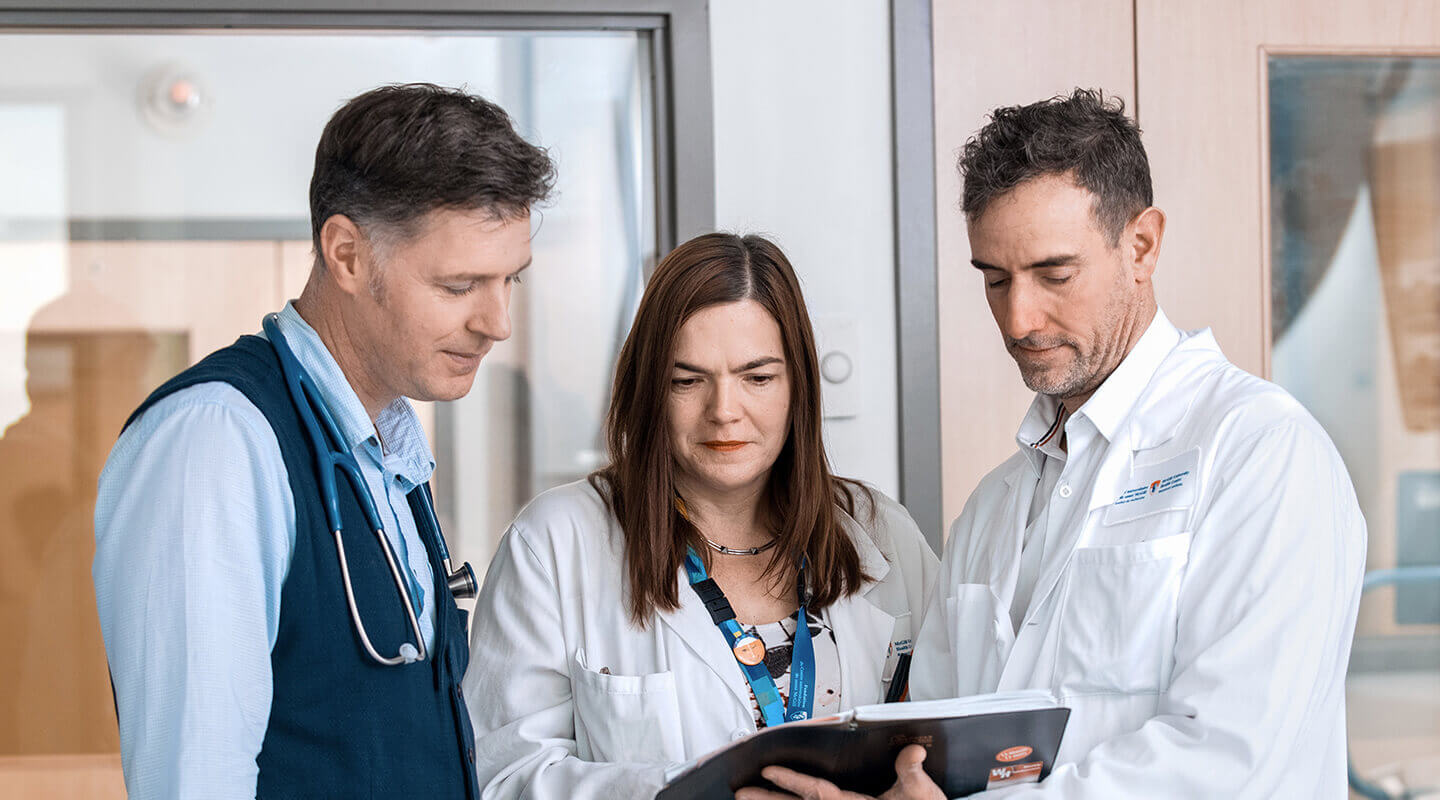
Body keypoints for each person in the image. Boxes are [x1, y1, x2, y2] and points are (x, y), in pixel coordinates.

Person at [738, 89, 1367, 800]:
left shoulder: (1261, 454)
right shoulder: (992, 509)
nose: (1019, 317)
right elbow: (932, 748)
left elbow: (1229, 758)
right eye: (995, 279)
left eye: (1052, 274)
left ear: (1142, 244)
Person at [93, 83, 554, 799]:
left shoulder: (386, 450)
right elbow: (194, 782)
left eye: (509, 281)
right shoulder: (216, 442)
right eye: (461, 285)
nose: (498, 323)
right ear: (346, 254)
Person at [463, 232, 939, 799]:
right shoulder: (555, 543)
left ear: (799, 386)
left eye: (757, 378)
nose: (724, 412)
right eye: (687, 381)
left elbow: (962, 730)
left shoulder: (880, 532)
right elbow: (502, 778)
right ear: (648, 390)